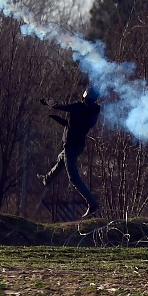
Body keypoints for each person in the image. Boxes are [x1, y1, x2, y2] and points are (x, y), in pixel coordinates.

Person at [38, 87, 101, 218]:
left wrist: (46, 100)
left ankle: (92, 204)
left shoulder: (78, 107)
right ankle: (47, 179)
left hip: (71, 147)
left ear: (85, 95)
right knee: (61, 159)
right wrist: (59, 120)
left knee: (74, 179)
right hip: (78, 146)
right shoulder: (92, 112)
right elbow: (75, 125)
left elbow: (57, 105)